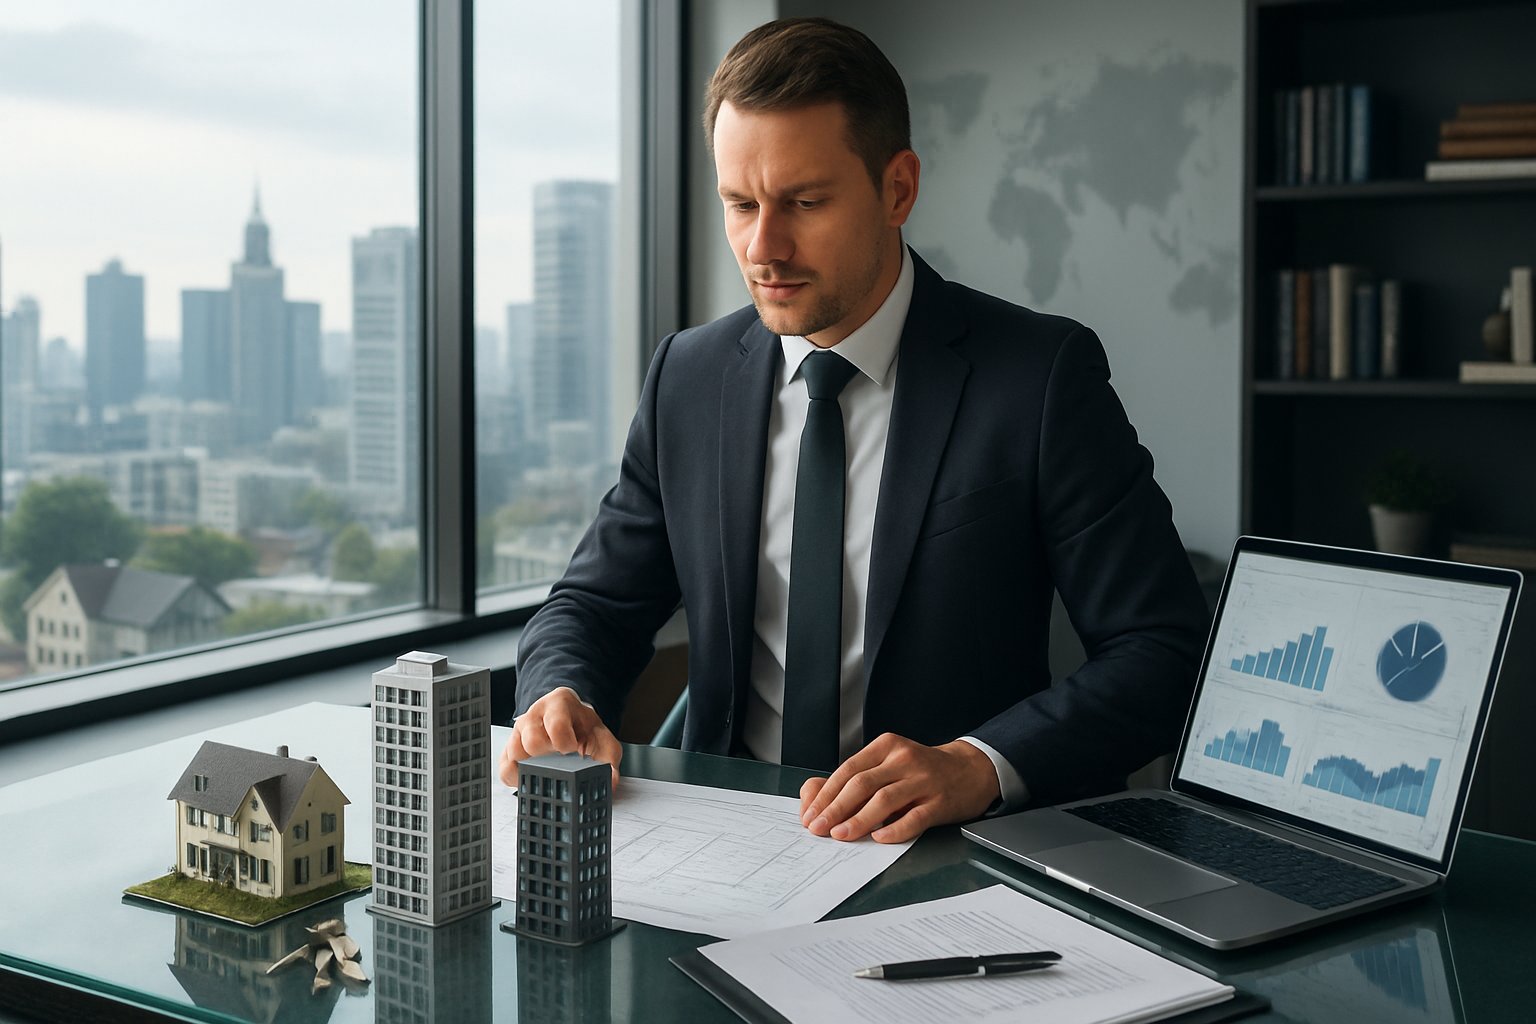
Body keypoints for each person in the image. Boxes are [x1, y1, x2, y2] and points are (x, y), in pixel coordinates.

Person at [499, 17, 1208, 844]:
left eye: (804, 202)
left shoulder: (1040, 377)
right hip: (719, 847)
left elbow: (1164, 649)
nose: (763, 247)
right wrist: (560, 695)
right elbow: (591, 604)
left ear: (898, 189)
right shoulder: (687, 379)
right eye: (740, 204)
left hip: (947, 857)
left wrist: (978, 764)